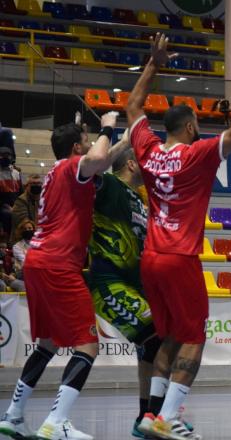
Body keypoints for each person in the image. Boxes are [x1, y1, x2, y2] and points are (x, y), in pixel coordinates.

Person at [126, 34, 231, 439]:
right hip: (179, 258)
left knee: (170, 336)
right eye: (198, 125)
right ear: (190, 126)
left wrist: (152, 64)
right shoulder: (197, 153)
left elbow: (133, 106)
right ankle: (170, 417)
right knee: (195, 338)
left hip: (151, 259)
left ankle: (151, 417)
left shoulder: (149, 153)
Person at [0, 112, 129, 440]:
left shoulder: (61, 171)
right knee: (88, 345)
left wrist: (129, 138)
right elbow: (98, 156)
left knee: (48, 344)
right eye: (85, 142)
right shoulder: (74, 166)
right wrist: (109, 126)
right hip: (59, 265)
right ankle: (56, 421)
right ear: (76, 147)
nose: (90, 147)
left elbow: (101, 159)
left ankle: (13, 415)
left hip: (38, 263)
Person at [87, 147, 167, 438]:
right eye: (144, 163)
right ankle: (155, 417)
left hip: (136, 285)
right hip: (109, 283)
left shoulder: (140, 199)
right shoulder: (109, 185)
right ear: (132, 164)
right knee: (159, 338)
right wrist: (117, 138)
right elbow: (92, 170)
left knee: (149, 349)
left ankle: (144, 417)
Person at [11, 174, 41, 238]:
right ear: (27, 186)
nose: (37, 185)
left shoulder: (44, 199)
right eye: (33, 184)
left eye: (39, 183)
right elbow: (23, 220)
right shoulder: (21, 200)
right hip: (23, 236)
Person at [0, 146, 21, 235]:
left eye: (8, 155)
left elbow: (21, 192)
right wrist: (6, 206)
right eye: (3, 155)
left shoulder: (16, 173)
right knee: (7, 214)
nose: (6, 157)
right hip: (2, 205)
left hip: (15, 204)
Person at [9, 218, 35, 290]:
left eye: (30, 228)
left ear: (34, 229)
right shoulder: (17, 246)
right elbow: (25, 262)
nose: (28, 230)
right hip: (22, 274)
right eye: (25, 229)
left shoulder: (39, 244)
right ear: (21, 231)